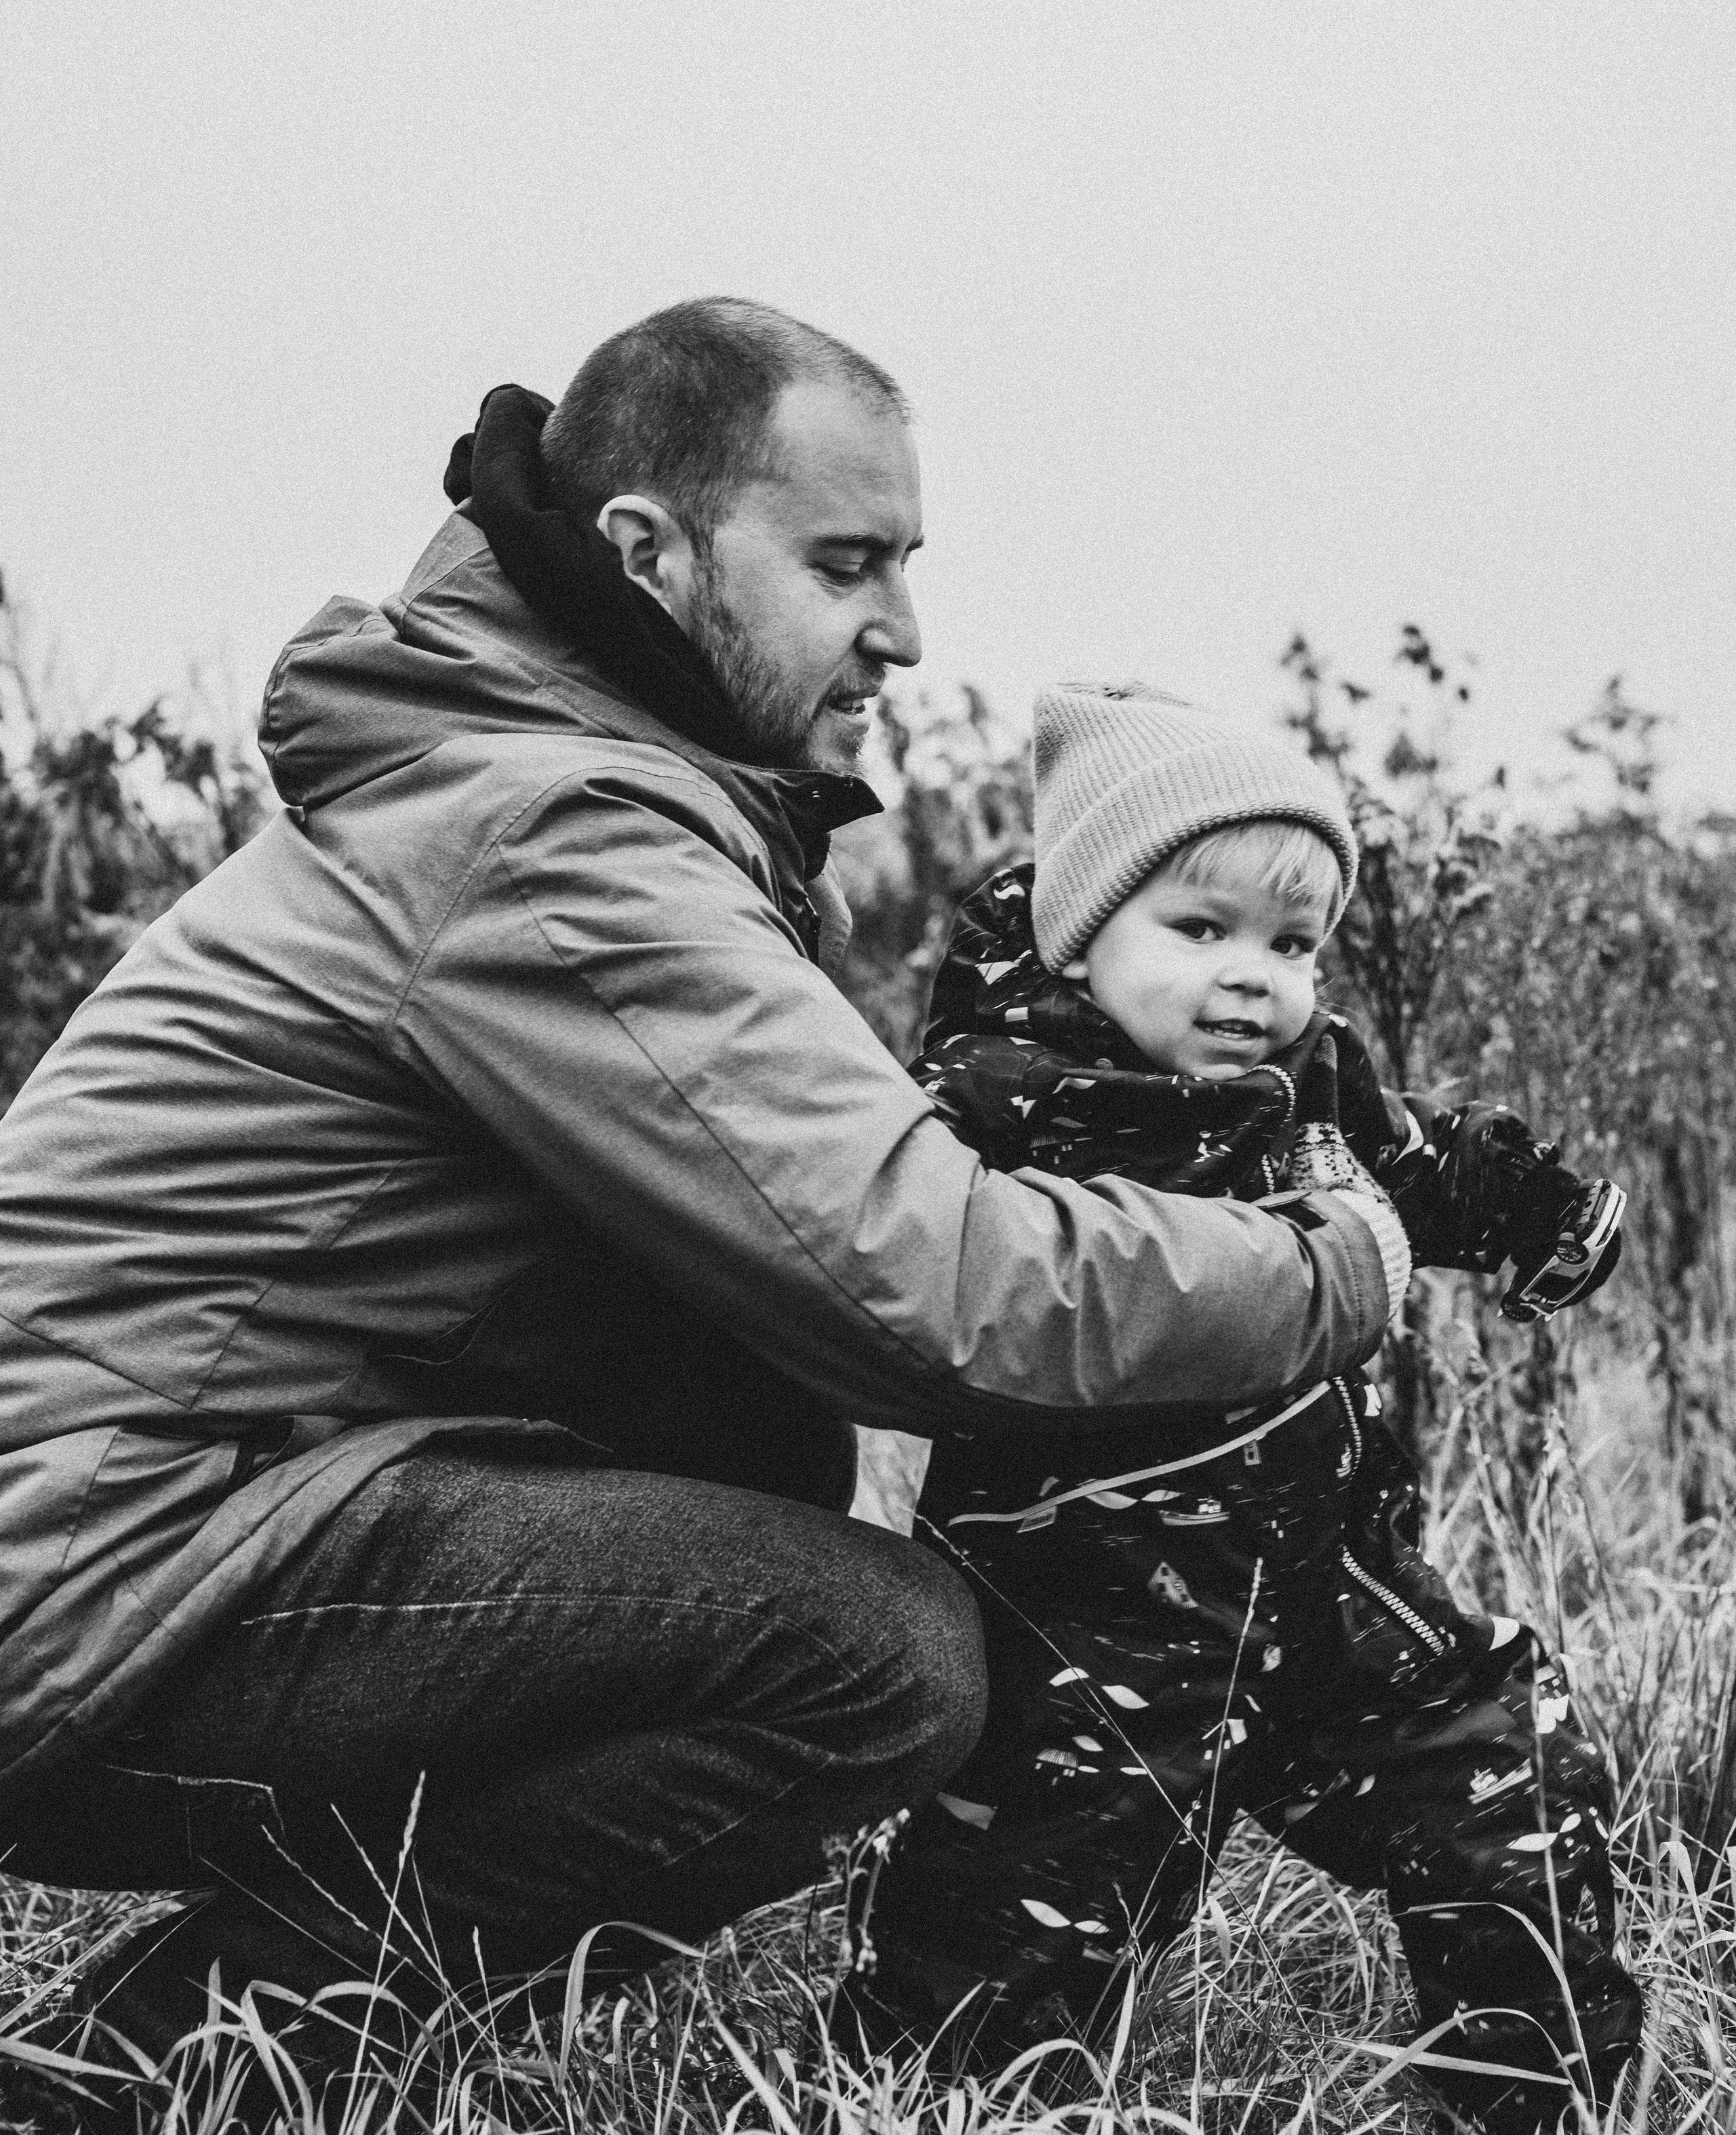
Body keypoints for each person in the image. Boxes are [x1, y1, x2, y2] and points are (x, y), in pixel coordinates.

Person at [0, 304, 1400, 2078]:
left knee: (757, 1472)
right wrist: (1350, 1255)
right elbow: (942, 1290)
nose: (900, 631)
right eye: (845, 564)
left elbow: (806, 1282)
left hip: (162, 1526)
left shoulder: (547, 794)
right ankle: (132, 2086)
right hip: (95, 1583)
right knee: (870, 1655)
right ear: (649, 554)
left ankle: (172, 2056)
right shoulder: (558, 838)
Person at [850, 682, 1640, 2130]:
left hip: (1330, 1592)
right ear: (1079, 935)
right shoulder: (986, 1109)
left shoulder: (1305, 1080)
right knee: (1006, 1967)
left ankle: (1533, 2096)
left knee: (1506, 1778)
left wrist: (1527, 1209)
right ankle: (926, 2092)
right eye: (1196, 930)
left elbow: (1411, 1166)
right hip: (1087, 1642)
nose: (1250, 980)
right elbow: (894, 1273)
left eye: (1290, 944)